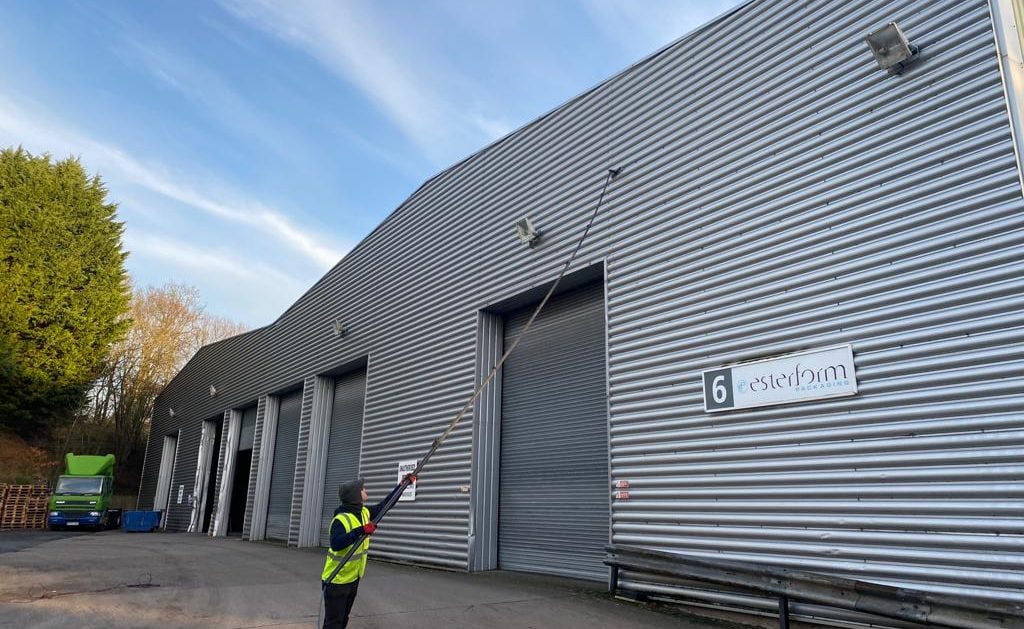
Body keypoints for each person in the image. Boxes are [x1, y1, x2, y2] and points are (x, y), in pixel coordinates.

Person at [321, 475, 414, 629]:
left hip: (352, 579)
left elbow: (385, 506)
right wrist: (361, 530)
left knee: (343, 619)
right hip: (336, 580)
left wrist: (402, 486)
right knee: (333, 623)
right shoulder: (340, 519)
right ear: (355, 495)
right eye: (362, 489)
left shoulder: (363, 512)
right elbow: (336, 543)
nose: (366, 490)